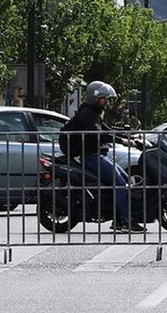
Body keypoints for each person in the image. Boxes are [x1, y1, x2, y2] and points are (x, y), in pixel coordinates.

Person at [60, 81, 144, 232]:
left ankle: (118, 219)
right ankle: (125, 221)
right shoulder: (87, 115)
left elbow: (108, 130)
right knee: (118, 183)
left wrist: (131, 137)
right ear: (95, 97)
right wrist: (123, 141)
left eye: (107, 98)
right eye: (104, 98)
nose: (106, 101)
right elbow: (100, 134)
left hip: (95, 154)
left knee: (125, 179)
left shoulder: (93, 113)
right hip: (88, 156)